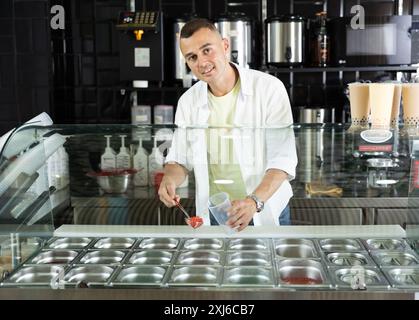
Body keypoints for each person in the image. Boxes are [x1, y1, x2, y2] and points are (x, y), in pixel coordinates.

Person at [158, 18, 297, 231]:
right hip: (215, 213)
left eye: (207, 50)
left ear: (224, 45)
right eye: (192, 57)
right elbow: (180, 159)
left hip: (263, 208)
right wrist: (169, 179)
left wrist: (254, 202)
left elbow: (282, 160)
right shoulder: (188, 101)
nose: (202, 63)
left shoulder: (269, 88)